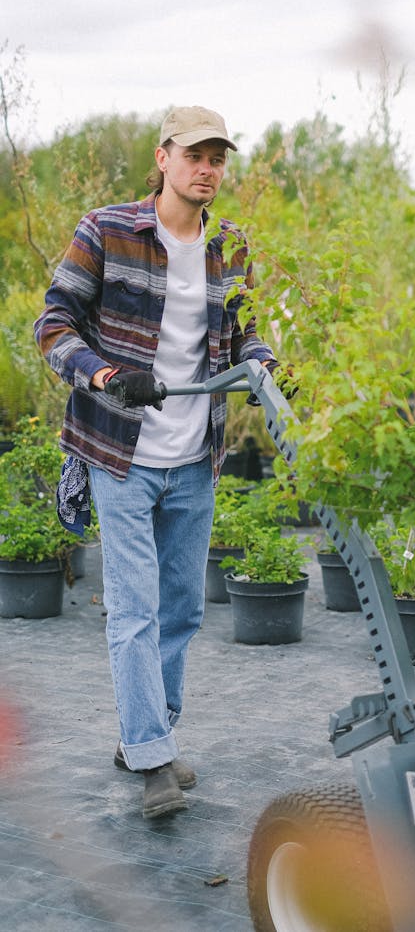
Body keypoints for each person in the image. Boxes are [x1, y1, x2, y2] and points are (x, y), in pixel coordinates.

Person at [34, 106, 279, 819]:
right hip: (120, 452)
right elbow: (52, 324)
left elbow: (246, 337)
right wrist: (108, 377)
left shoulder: (230, 247)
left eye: (218, 158)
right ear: (162, 157)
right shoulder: (106, 229)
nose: (207, 169)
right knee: (135, 609)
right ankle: (151, 760)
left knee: (181, 610)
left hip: (195, 458)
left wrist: (267, 372)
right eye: (195, 155)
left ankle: (149, 735)